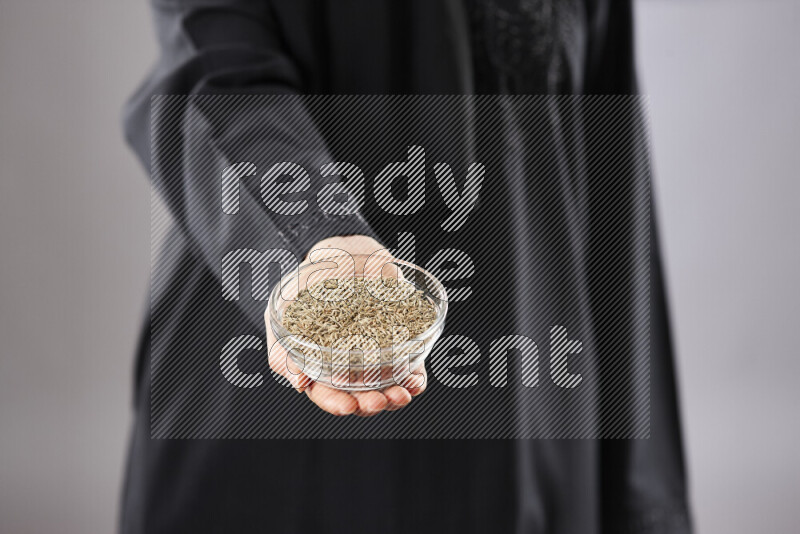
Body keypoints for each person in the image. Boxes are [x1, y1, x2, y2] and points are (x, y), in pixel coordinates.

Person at [121, 0, 692, 532]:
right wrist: (318, 240)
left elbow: (612, 190)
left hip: (530, 417)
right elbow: (219, 75)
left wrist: (644, 500)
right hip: (273, 424)